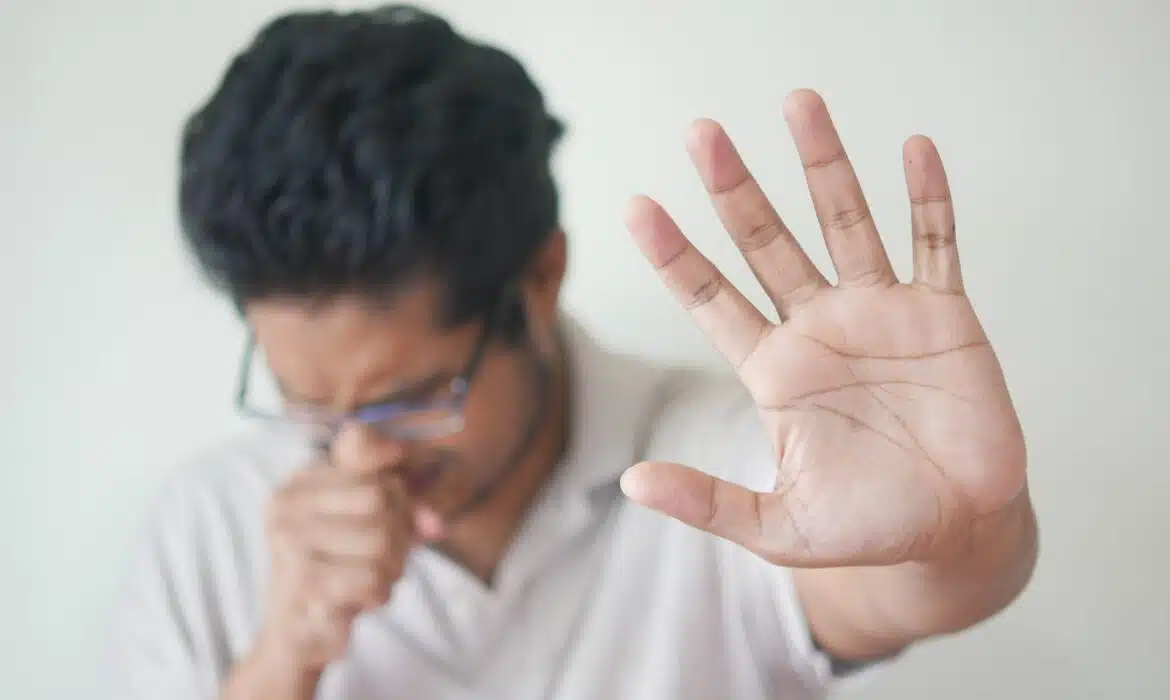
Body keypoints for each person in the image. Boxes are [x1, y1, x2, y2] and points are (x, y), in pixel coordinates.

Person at [105, 5, 1038, 699]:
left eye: (414, 395)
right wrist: (282, 662)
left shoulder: (730, 461)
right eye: (307, 403)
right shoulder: (207, 527)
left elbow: (907, 585)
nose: (357, 452)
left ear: (540, 278)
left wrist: (962, 532)